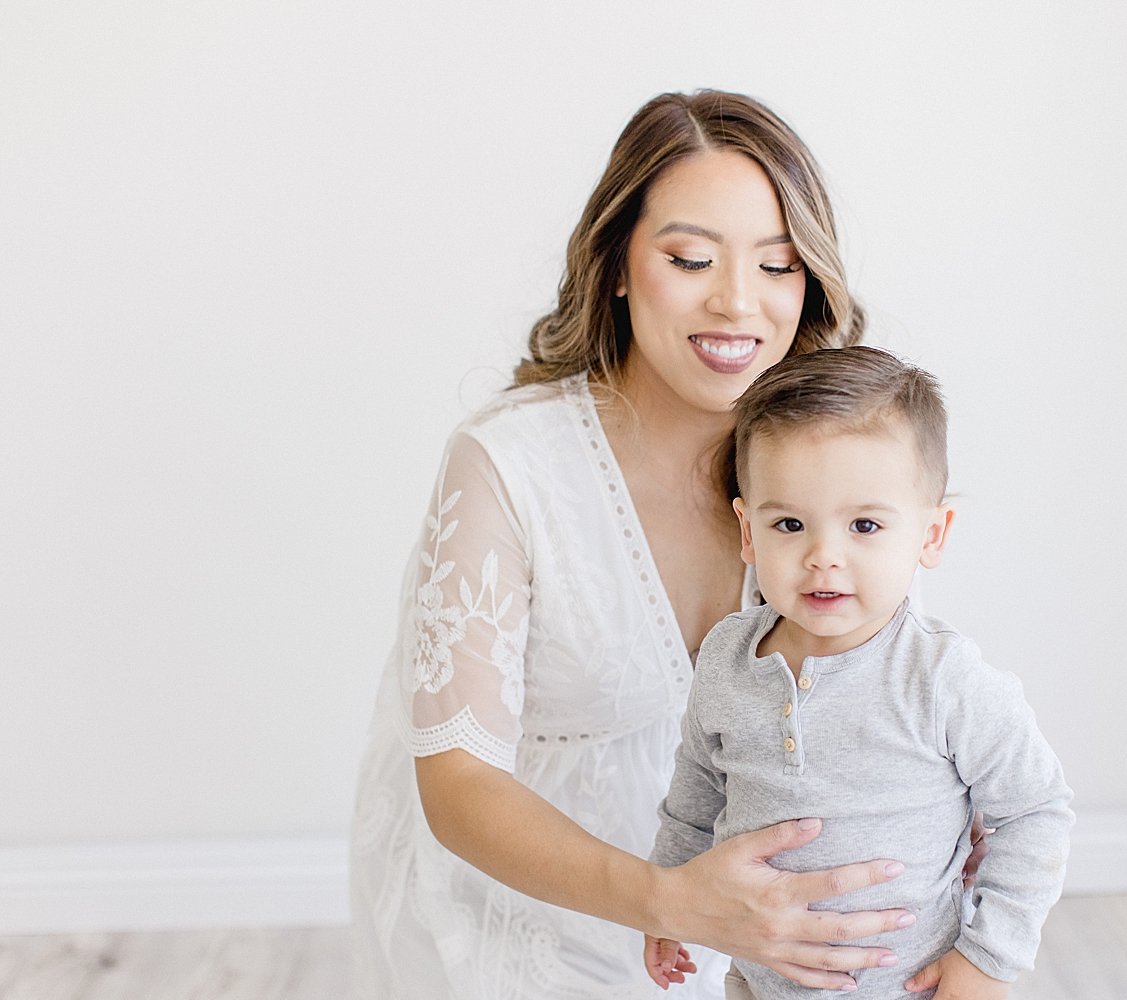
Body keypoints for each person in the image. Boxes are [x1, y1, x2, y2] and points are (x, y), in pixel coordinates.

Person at [349, 91, 923, 1000]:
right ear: (617, 265)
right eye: (690, 258)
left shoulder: (823, 461)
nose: (737, 301)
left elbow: (887, 685)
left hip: (730, 923)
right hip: (518, 918)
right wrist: (672, 901)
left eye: (777, 265)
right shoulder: (508, 464)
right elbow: (456, 782)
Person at [643, 347, 1074, 1000]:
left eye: (865, 525)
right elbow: (696, 788)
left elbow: (1036, 811)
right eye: (789, 523)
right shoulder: (728, 658)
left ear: (932, 534)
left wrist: (988, 958)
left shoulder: (942, 677)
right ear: (748, 532)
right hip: (759, 984)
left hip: (910, 988)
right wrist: (667, 898)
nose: (823, 558)